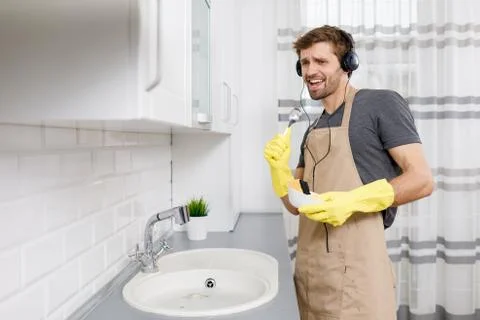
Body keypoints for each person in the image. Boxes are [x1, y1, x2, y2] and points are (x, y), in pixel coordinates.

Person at [264, 25, 434, 320]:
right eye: (305, 62)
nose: (310, 71)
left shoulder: (379, 103)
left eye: (320, 61)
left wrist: (352, 201)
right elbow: (295, 205)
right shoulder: (313, 128)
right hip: (312, 274)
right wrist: (279, 171)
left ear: (347, 64)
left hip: (358, 278)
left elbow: (421, 180)